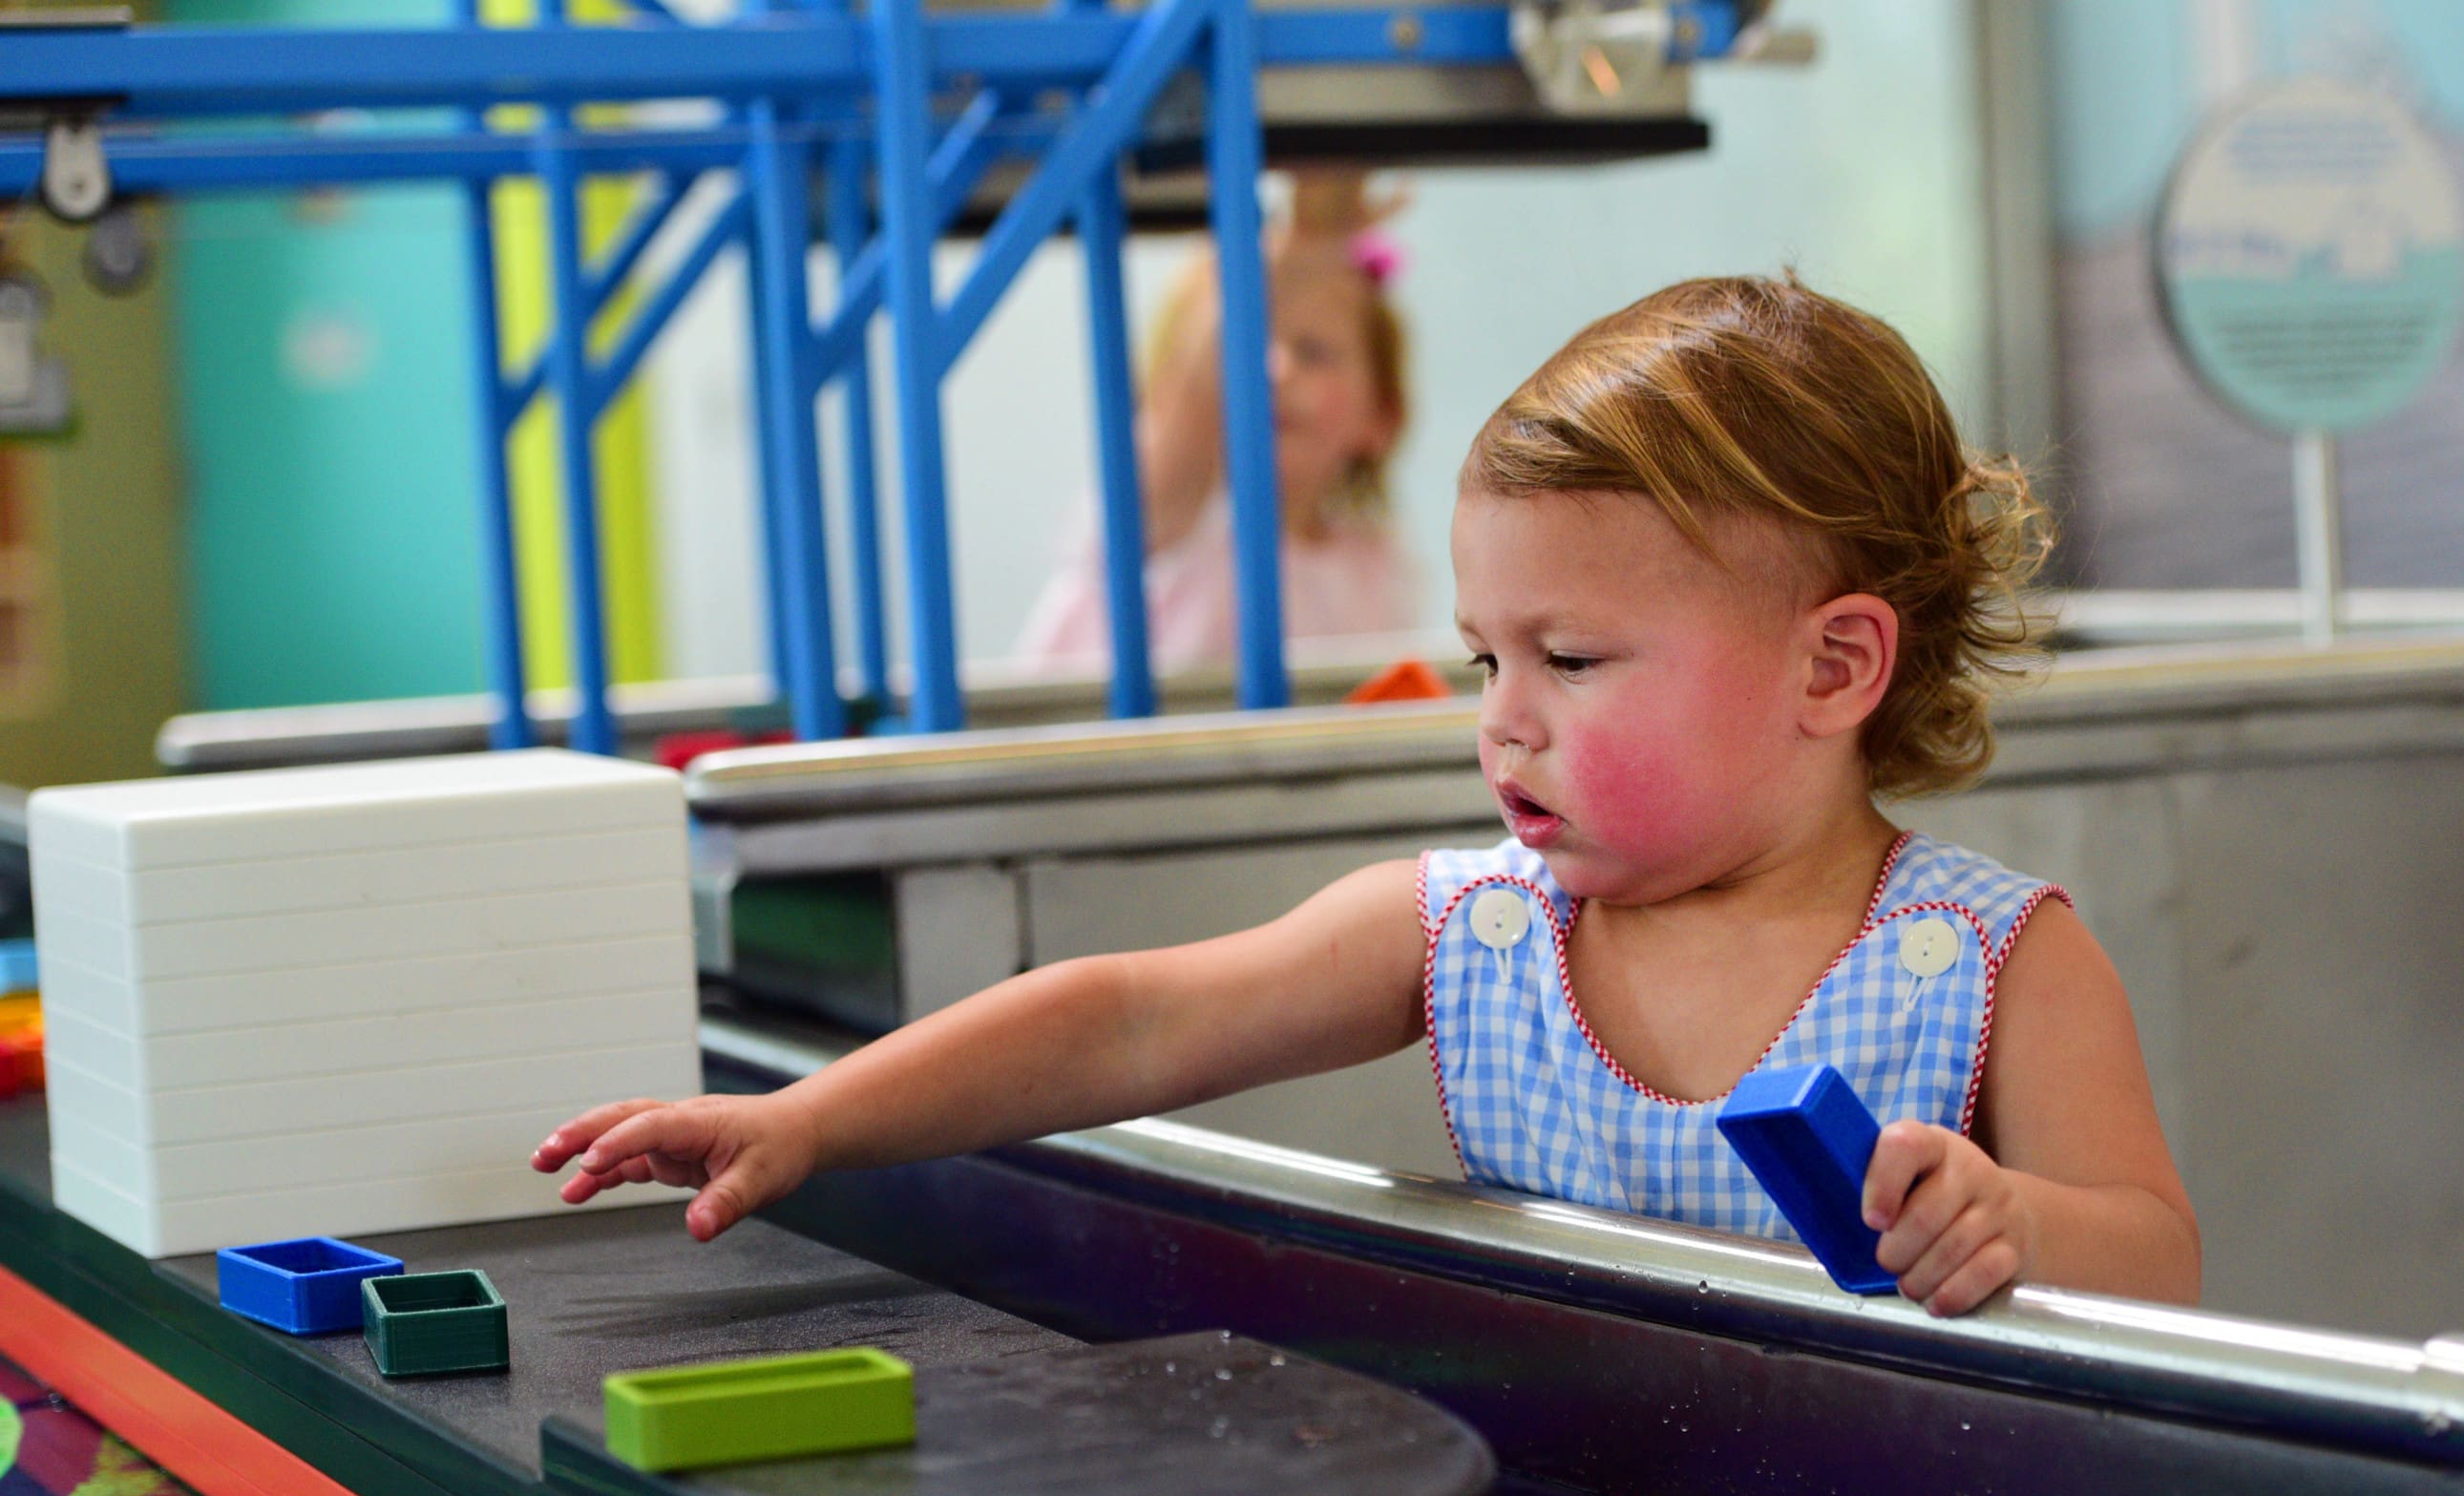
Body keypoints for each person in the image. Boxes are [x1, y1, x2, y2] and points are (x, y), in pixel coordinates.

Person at [539, 276, 2201, 1317]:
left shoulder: (1992, 963)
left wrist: (2008, 1221)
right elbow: (1129, 1021)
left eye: (1573, 658)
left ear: (1832, 666)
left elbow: (2160, 1255)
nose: (1505, 721)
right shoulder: (1475, 935)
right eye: (1488, 658)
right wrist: (809, 1121)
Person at [1016, 172, 1421, 671]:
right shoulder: (1173, 516)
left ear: (1382, 417)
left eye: (1313, 352)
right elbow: (1194, 405)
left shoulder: (1375, 564)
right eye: (1245, 346)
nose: (1274, 369)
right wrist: (1305, 246)